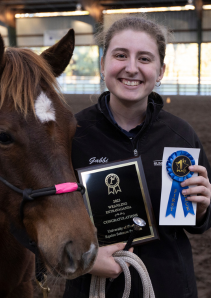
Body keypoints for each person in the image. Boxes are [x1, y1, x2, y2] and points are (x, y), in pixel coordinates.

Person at [63, 16, 211, 298]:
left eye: (144, 58)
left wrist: (202, 208)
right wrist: (85, 259)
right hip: (92, 289)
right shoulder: (71, 135)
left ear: (160, 71)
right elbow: (42, 217)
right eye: (120, 55)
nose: (131, 68)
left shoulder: (181, 135)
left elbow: (198, 223)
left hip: (170, 286)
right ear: (103, 63)